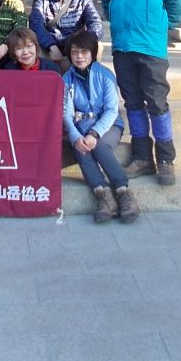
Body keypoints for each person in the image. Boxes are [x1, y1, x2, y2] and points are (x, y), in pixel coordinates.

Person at [101, 0, 181, 187]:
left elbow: (177, 5)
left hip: (151, 49)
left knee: (157, 103)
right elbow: (106, 3)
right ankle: (141, 157)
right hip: (123, 47)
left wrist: (159, 28)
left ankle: (165, 159)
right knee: (133, 103)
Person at [62, 30, 139, 224]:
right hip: (81, 127)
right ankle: (103, 196)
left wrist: (95, 133)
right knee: (80, 148)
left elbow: (112, 110)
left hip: (109, 127)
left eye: (85, 52)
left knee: (98, 145)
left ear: (93, 53)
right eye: (75, 52)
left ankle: (123, 192)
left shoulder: (105, 75)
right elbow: (65, 113)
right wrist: (75, 137)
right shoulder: (66, 80)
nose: (79, 57)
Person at [29, 0, 103, 66]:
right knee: (35, 46)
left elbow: (96, 23)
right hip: (49, 47)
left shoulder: (83, 1)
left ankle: (89, 78)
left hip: (76, 46)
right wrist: (51, 46)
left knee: (98, 45)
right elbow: (36, 25)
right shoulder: (41, 1)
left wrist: (83, 43)